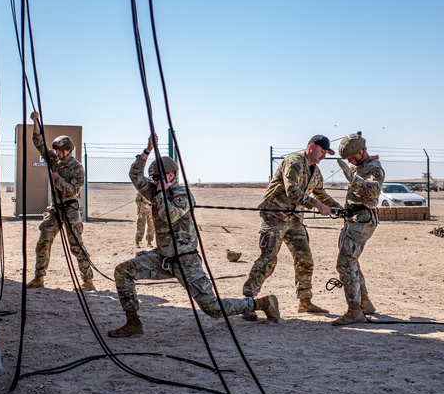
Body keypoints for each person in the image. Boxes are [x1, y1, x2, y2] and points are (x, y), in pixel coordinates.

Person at [108, 135, 279, 337]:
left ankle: (260, 303)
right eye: (153, 179)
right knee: (123, 271)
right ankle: (133, 323)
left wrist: (161, 192)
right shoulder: (156, 190)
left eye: (158, 178)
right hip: (162, 258)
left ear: (172, 175)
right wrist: (147, 151)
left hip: (186, 261)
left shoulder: (183, 194)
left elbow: (169, 215)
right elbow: (135, 176)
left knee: (213, 309)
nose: (154, 182)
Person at [242, 135, 343, 319]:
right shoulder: (294, 162)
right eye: (322, 152)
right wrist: (317, 205)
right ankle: (247, 302)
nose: (323, 157)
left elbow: (322, 194)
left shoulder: (316, 172)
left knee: (305, 258)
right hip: (274, 214)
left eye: (326, 154)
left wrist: (340, 209)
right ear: (311, 147)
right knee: (269, 258)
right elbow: (292, 191)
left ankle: (305, 302)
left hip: (294, 218)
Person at [25, 111, 95, 291]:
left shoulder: (77, 167)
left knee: (76, 245)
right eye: (56, 149)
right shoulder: (54, 160)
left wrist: (58, 179)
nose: (57, 152)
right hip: (56, 209)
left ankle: (88, 281)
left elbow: (75, 190)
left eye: (60, 150)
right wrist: (35, 121)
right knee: (43, 241)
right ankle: (39, 277)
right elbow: (38, 143)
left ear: (69, 150)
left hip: (70, 210)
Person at [331, 134, 385, 326]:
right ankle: (364, 302)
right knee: (352, 262)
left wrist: (353, 179)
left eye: (351, 158)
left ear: (361, 152)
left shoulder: (374, 168)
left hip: (362, 220)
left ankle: (355, 311)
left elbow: (373, 190)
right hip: (352, 218)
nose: (349, 162)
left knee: (345, 263)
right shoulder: (360, 167)